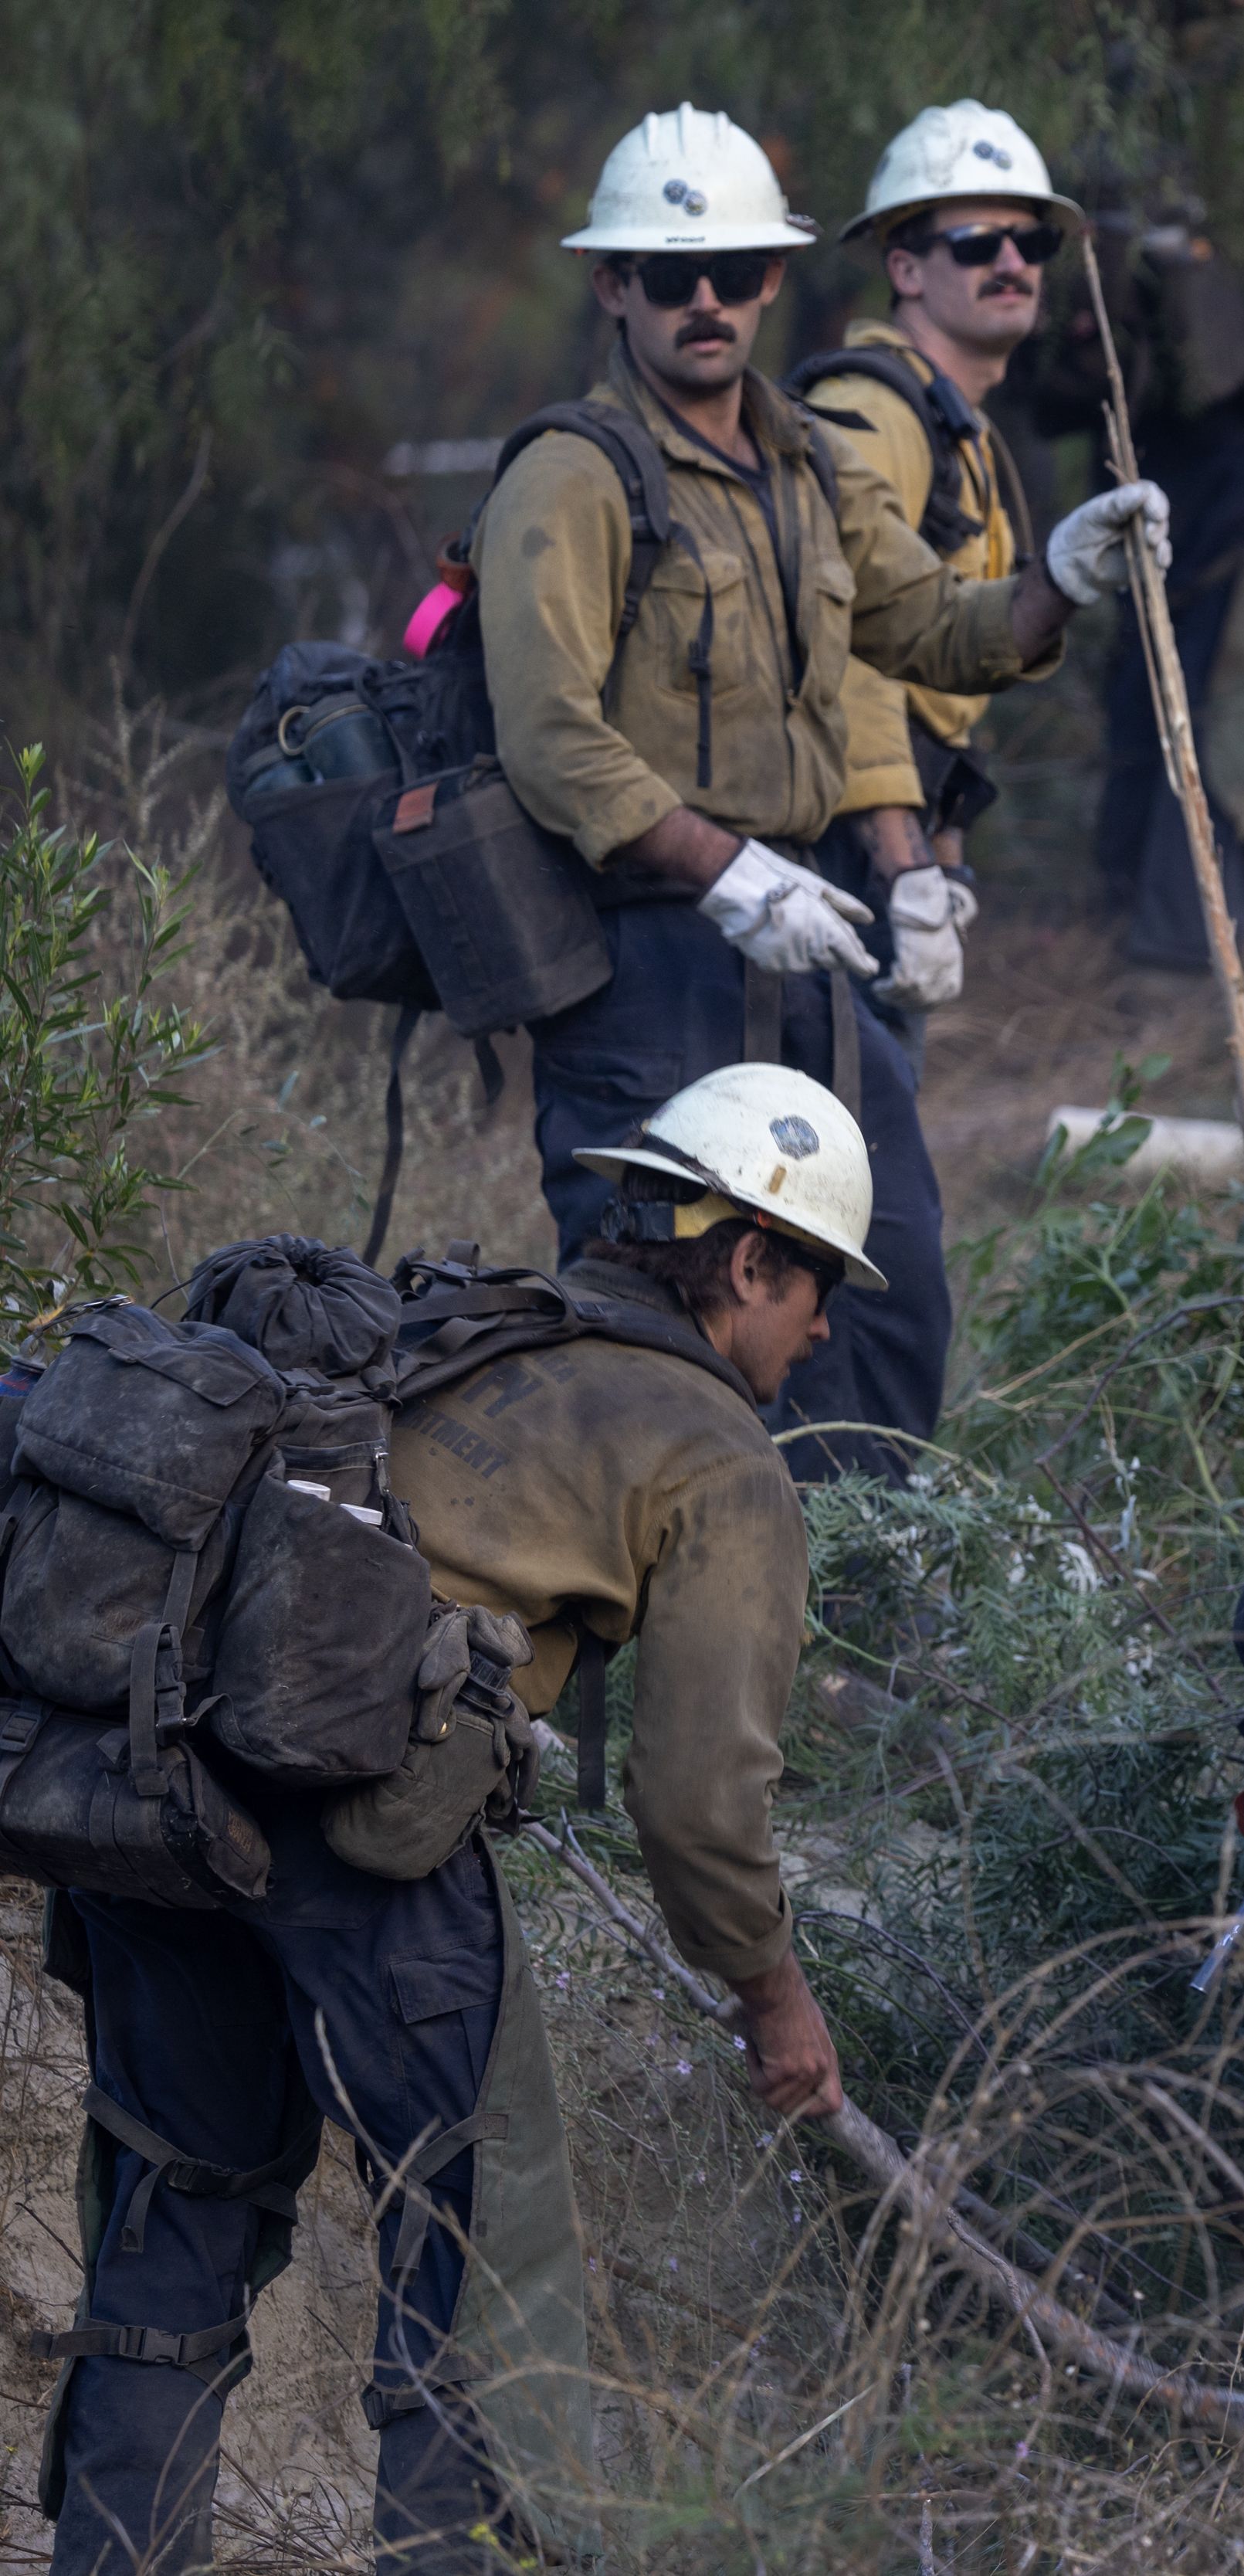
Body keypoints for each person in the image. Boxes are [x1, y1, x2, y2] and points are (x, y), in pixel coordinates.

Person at [36, 1065, 876, 2576]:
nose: (823, 1330)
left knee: (175, 2219)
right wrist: (775, 1993)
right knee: (483, 2277)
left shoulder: (463, 1318)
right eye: (817, 1287)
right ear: (748, 1258)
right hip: (363, 1846)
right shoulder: (713, 1449)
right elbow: (695, 1803)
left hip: (156, 1799)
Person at [477, 104, 1167, 1475]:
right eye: (671, 275)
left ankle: (859, 1619)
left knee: (877, 1279)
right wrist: (720, 869)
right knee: (661, 1324)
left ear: (776, 279)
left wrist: (1059, 580)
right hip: (643, 959)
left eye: (735, 269)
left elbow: (935, 634)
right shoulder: (572, 475)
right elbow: (550, 738)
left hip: (801, 942)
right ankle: (656, 1639)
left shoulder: (804, 460)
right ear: (615, 286)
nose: (707, 300)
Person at [801, 101, 1079, 1081]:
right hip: (838, 851)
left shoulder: (955, 421)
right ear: (906, 268)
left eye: (1030, 239)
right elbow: (849, 642)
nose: (1013, 262)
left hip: (890, 835)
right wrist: (901, 860)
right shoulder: (873, 414)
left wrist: (945, 838)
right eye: (976, 242)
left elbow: (945, 669)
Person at [1033, 200, 1244, 969]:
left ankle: (1180, 967)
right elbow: (1054, 396)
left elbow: (1241, 380)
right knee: (1146, 749)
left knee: (1221, 761)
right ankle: (1137, 954)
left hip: (1233, 582)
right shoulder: (1128, 323)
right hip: (1160, 580)